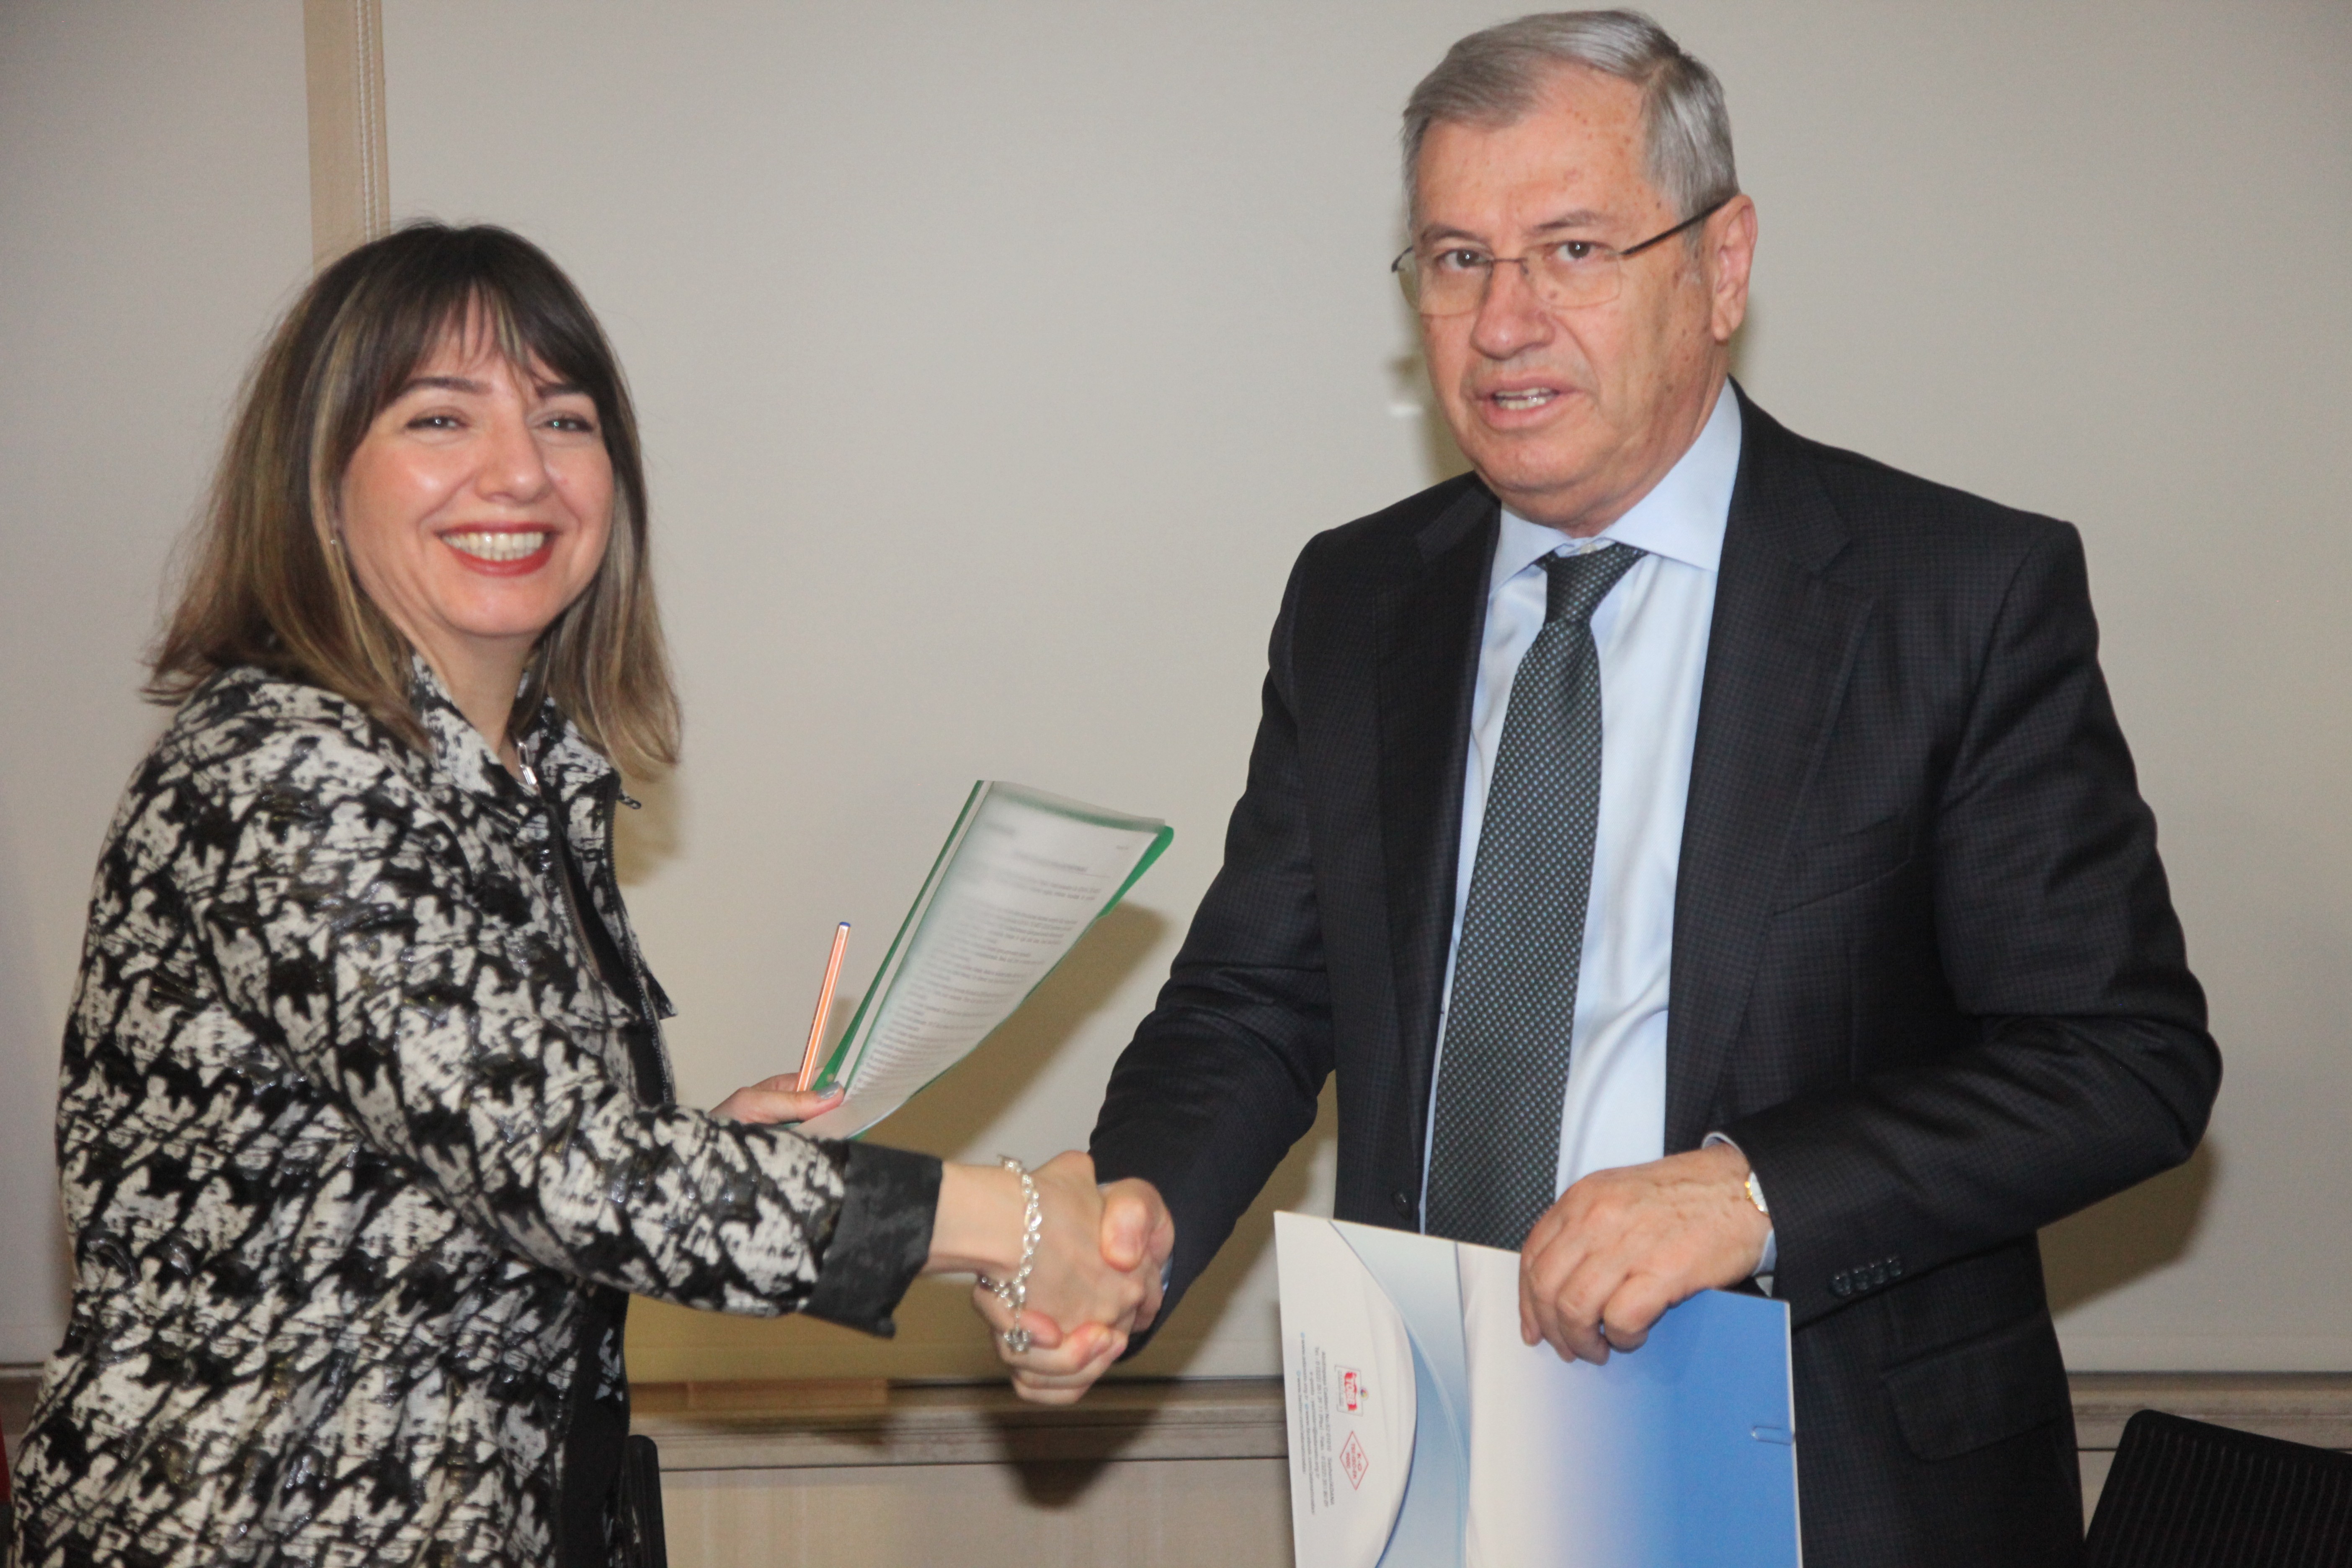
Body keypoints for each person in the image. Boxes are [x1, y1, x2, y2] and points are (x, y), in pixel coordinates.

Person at [1039, 12, 2218, 1565]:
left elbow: (2123, 1062)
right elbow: (1252, 1004)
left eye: (1573, 250)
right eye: (1457, 259)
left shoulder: (1952, 594)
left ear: (1721, 267)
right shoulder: (1358, 599)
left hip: (1834, 1485)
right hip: (1436, 1465)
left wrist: (1753, 1193)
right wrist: (1133, 1221)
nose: (1503, 321)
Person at [9, 223, 1171, 1568]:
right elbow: (557, 1171)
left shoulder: (529, 774)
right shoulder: (285, 766)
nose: (520, 471)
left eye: (564, 419)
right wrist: (1007, 1222)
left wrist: (716, 1154)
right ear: (320, 482)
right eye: (440, 418)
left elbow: (472, 1175)